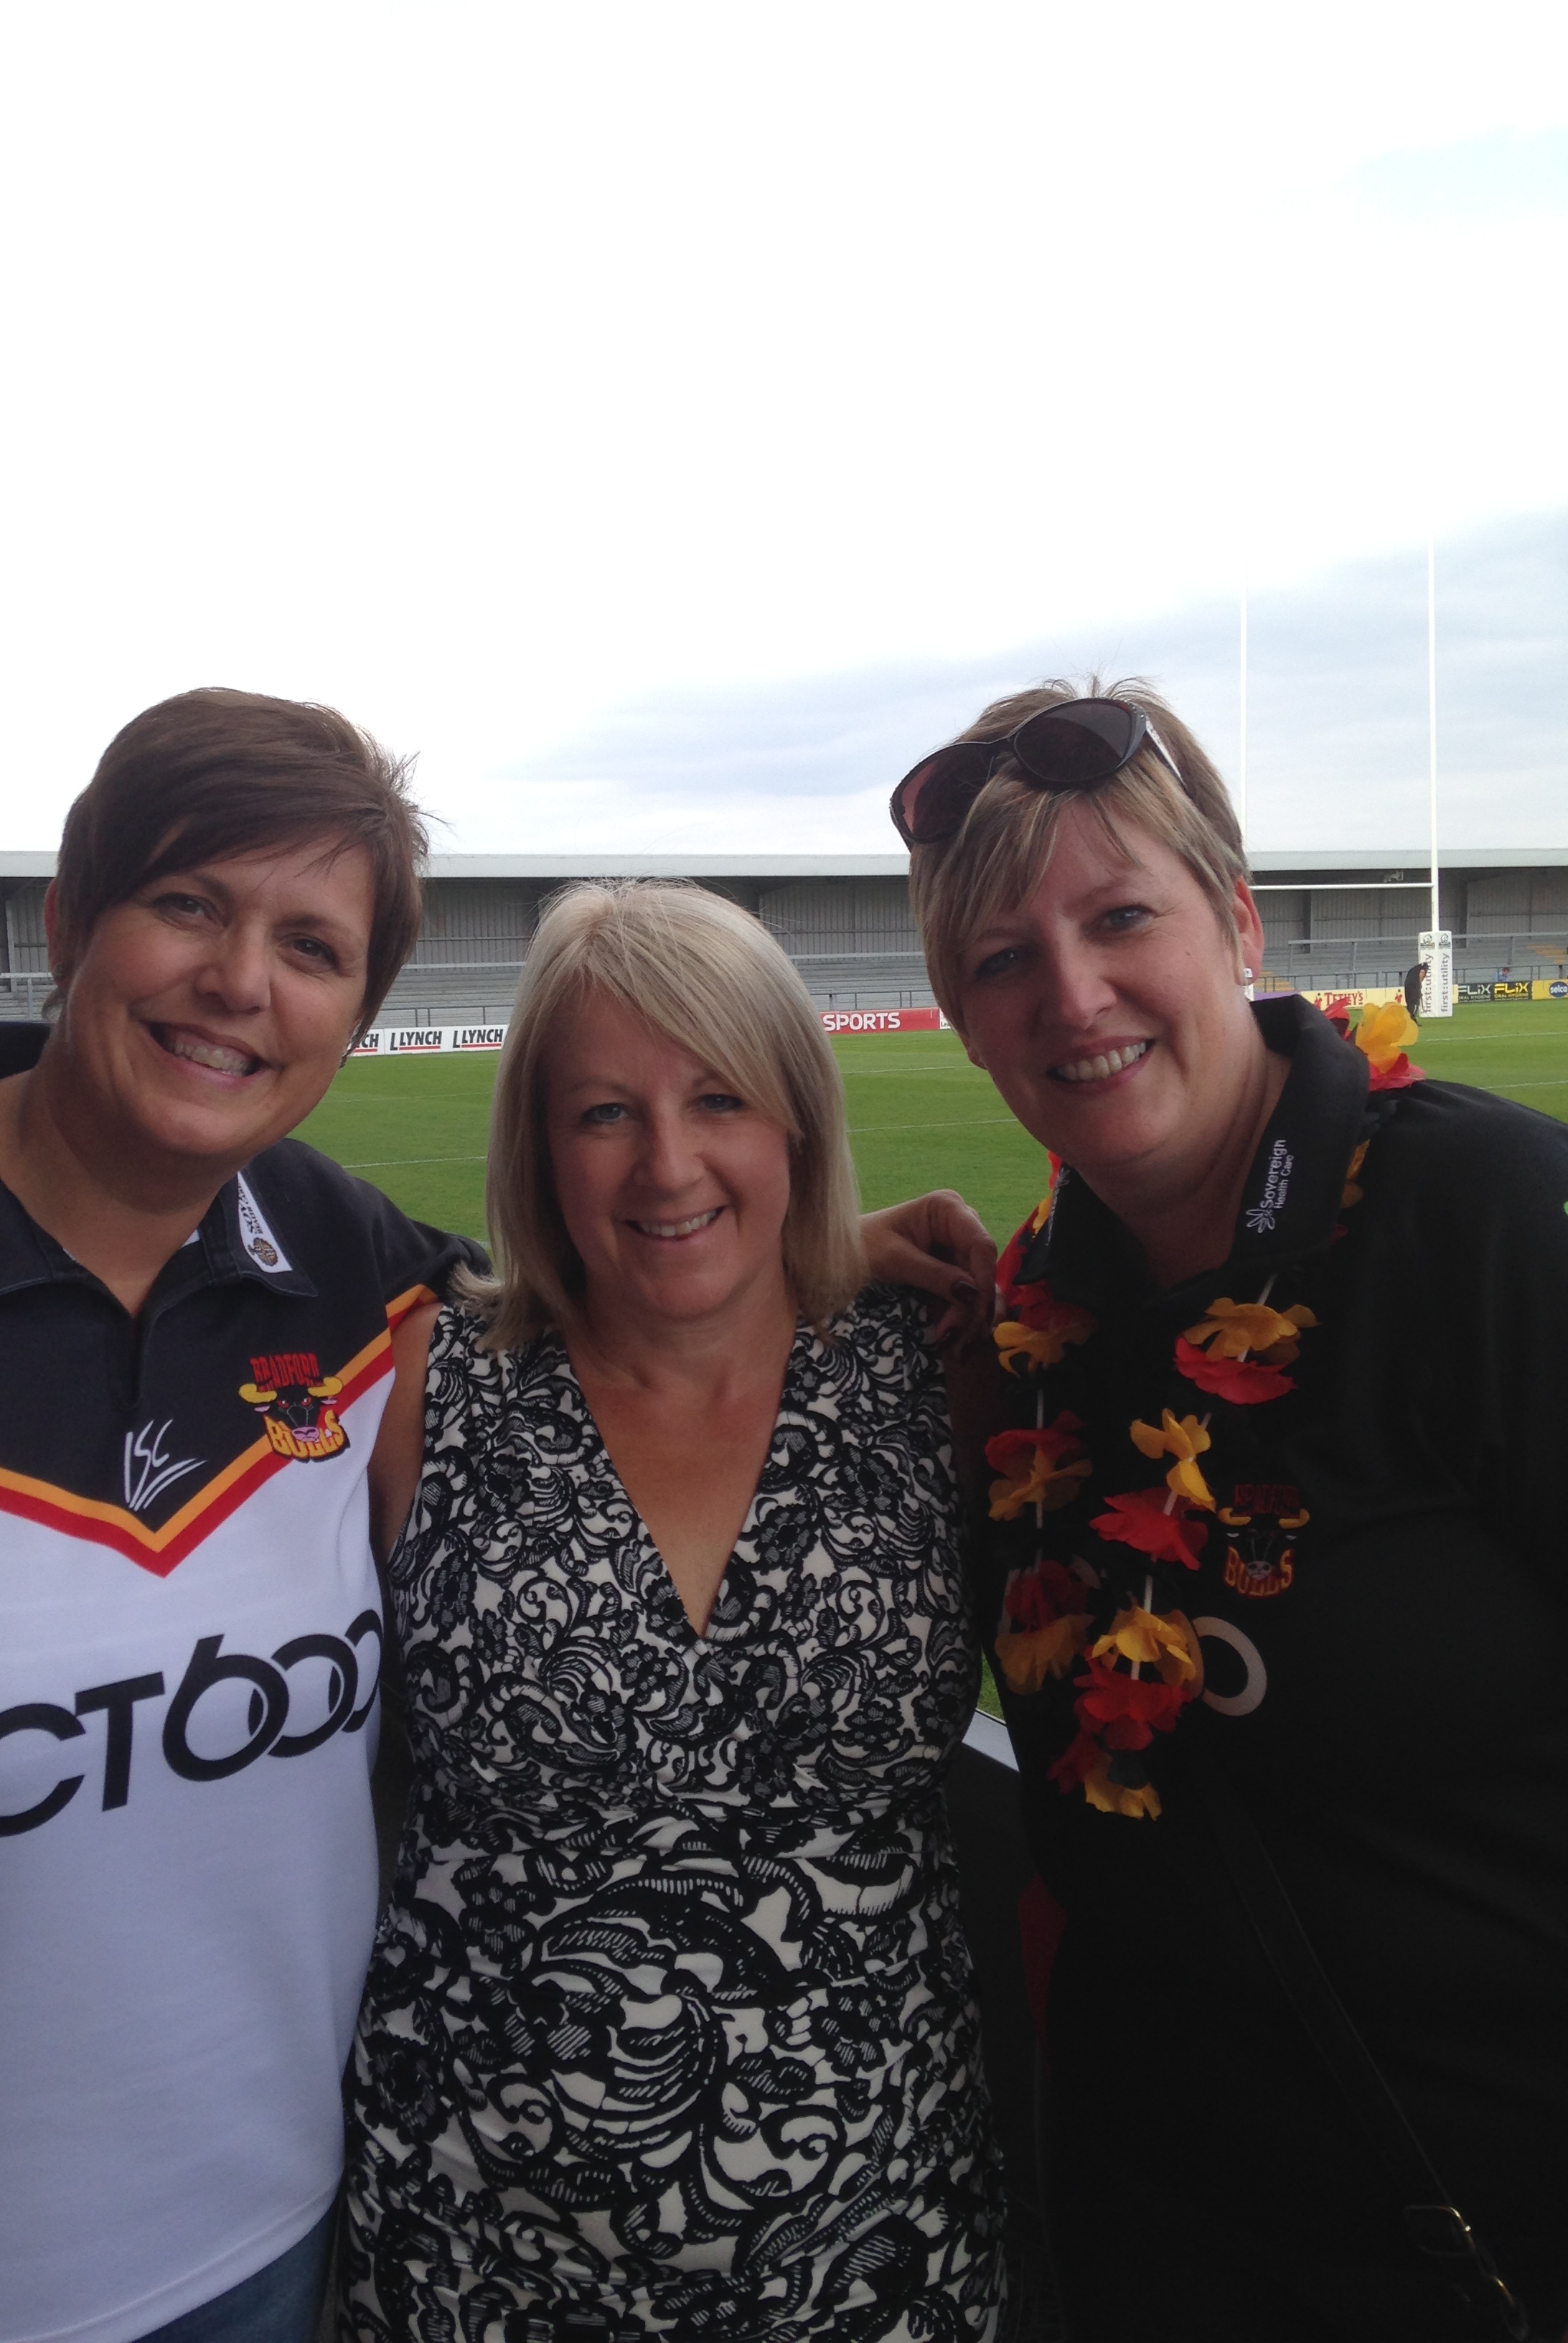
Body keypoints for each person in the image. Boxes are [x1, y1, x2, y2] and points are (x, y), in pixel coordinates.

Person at [889, 681, 1568, 2341]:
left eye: (1122, 918)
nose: (1073, 994)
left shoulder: (1486, 1218)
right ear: (965, 1021)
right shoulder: (1029, 1326)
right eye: (1003, 959)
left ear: (1241, 924)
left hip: (1484, 2233)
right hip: (1152, 2234)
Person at [0, 689, 482, 2343]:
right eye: (188, 903)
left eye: (313, 949)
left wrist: (837, 1257)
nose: (241, 981)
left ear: (355, 1014)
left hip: (269, 2251)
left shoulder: (354, 1267)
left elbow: (633, 1310)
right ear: (68, 920)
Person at [340, 880, 1008, 2341]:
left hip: (873, 2246)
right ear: (538, 1144)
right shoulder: (415, 1389)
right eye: (604, 1113)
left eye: (720, 1099)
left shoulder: (940, 1367)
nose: (666, 1163)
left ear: (798, 1122)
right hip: (478, 2253)